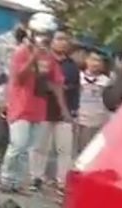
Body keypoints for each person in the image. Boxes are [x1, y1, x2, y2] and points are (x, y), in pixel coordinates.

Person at [0, 12, 71, 193]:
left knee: (28, 149)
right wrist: (33, 56)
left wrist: (64, 110)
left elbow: (56, 84)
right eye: (41, 34)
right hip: (20, 106)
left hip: (39, 108)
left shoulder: (50, 58)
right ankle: (6, 178)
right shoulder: (20, 53)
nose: (44, 39)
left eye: (48, 35)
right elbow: (19, 78)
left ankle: (17, 183)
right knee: (18, 145)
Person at [28, 29, 79, 194]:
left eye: (66, 39)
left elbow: (74, 90)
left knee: (64, 149)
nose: (63, 42)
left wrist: (73, 110)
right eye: (59, 39)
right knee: (40, 146)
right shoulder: (43, 60)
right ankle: (36, 177)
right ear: (52, 40)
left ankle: (62, 182)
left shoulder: (72, 66)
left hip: (64, 113)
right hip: (43, 109)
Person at [77, 50, 111, 151]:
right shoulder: (78, 77)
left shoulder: (107, 81)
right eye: (93, 60)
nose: (95, 63)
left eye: (99, 61)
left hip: (100, 121)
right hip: (80, 120)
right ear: (86, 60)